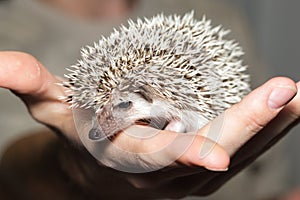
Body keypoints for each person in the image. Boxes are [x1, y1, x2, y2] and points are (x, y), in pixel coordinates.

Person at [0, 0, 299, 199]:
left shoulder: (214, 9)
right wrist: (76, 166)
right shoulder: (11, 32)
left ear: (155, 94)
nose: (103, 126)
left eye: (124, 106)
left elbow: (269, 182)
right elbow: (15, 170)